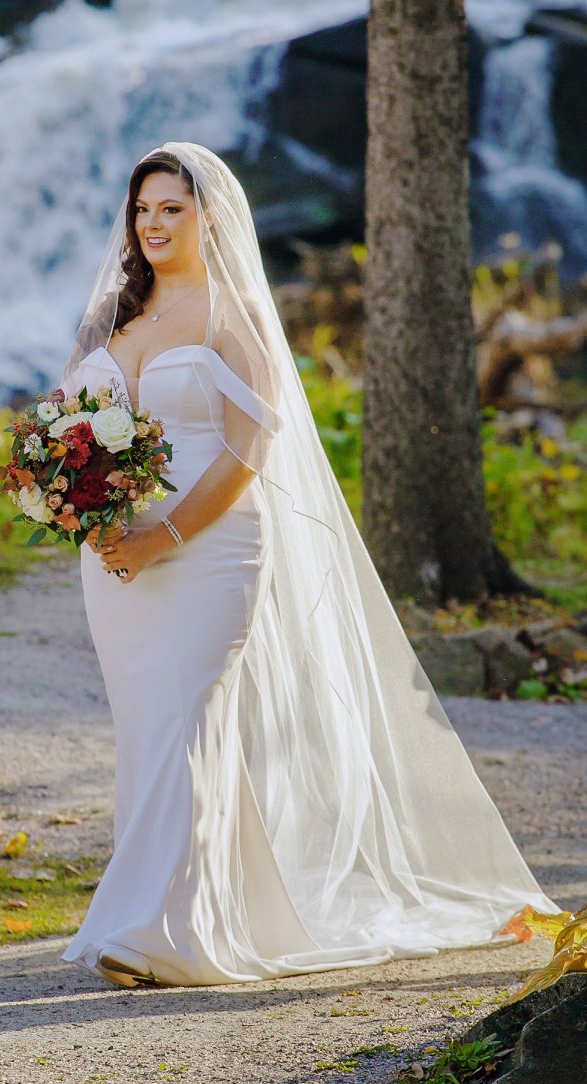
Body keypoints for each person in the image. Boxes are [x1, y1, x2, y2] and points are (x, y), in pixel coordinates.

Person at [56, 140, 557, 990]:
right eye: (143, 209)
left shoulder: (233, 316)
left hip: (208, 550)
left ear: (208, 217)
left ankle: (149, 930)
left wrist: (163, 534)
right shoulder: (109, 318)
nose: (153, 224)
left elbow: (249, 449)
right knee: (153, 731)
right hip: (114, 560)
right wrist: (75, 505)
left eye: (172, 208)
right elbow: (64, 431)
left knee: (189, 722)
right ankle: (197, 911)